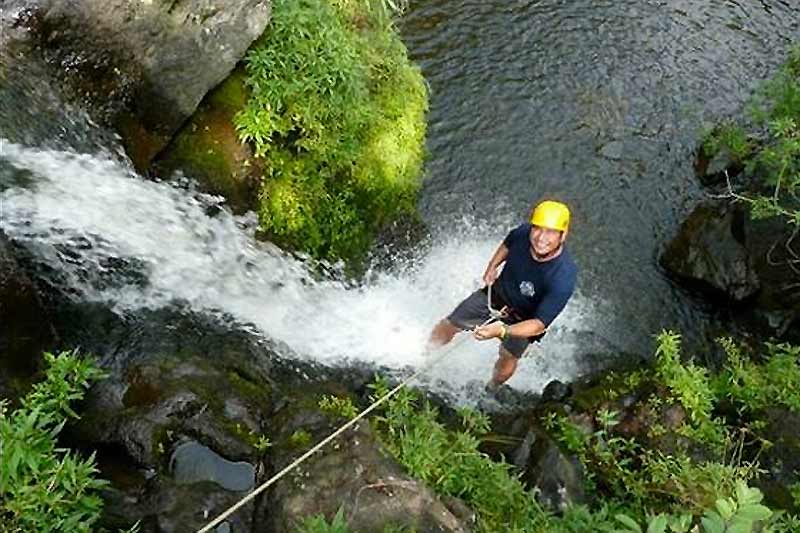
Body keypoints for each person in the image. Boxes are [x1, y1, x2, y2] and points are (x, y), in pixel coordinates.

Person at [428, 200, 578, 390]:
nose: (541, 237)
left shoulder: (563, 276)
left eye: (550, 232)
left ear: (562, 235)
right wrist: (492, 266)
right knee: (451, 322)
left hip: (524, 320)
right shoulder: (523, 233)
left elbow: (538, 325)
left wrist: (502, 331)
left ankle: (493, 387)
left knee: (508, 356)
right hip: (495, 297)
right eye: (538, 229)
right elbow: (507, 244)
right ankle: (426, 356)